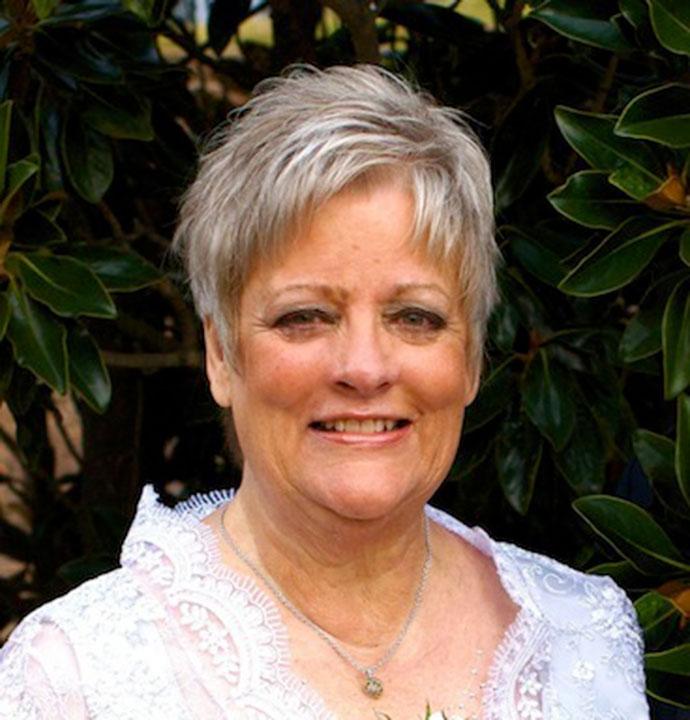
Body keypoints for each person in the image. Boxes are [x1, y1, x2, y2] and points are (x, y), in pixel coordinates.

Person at [0, 65, 648, 720]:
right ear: (221, 353)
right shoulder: (73, 680)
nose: (364, 368)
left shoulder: (586, 639)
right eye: (305, 317)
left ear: (472, 356)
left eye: (415, 317)